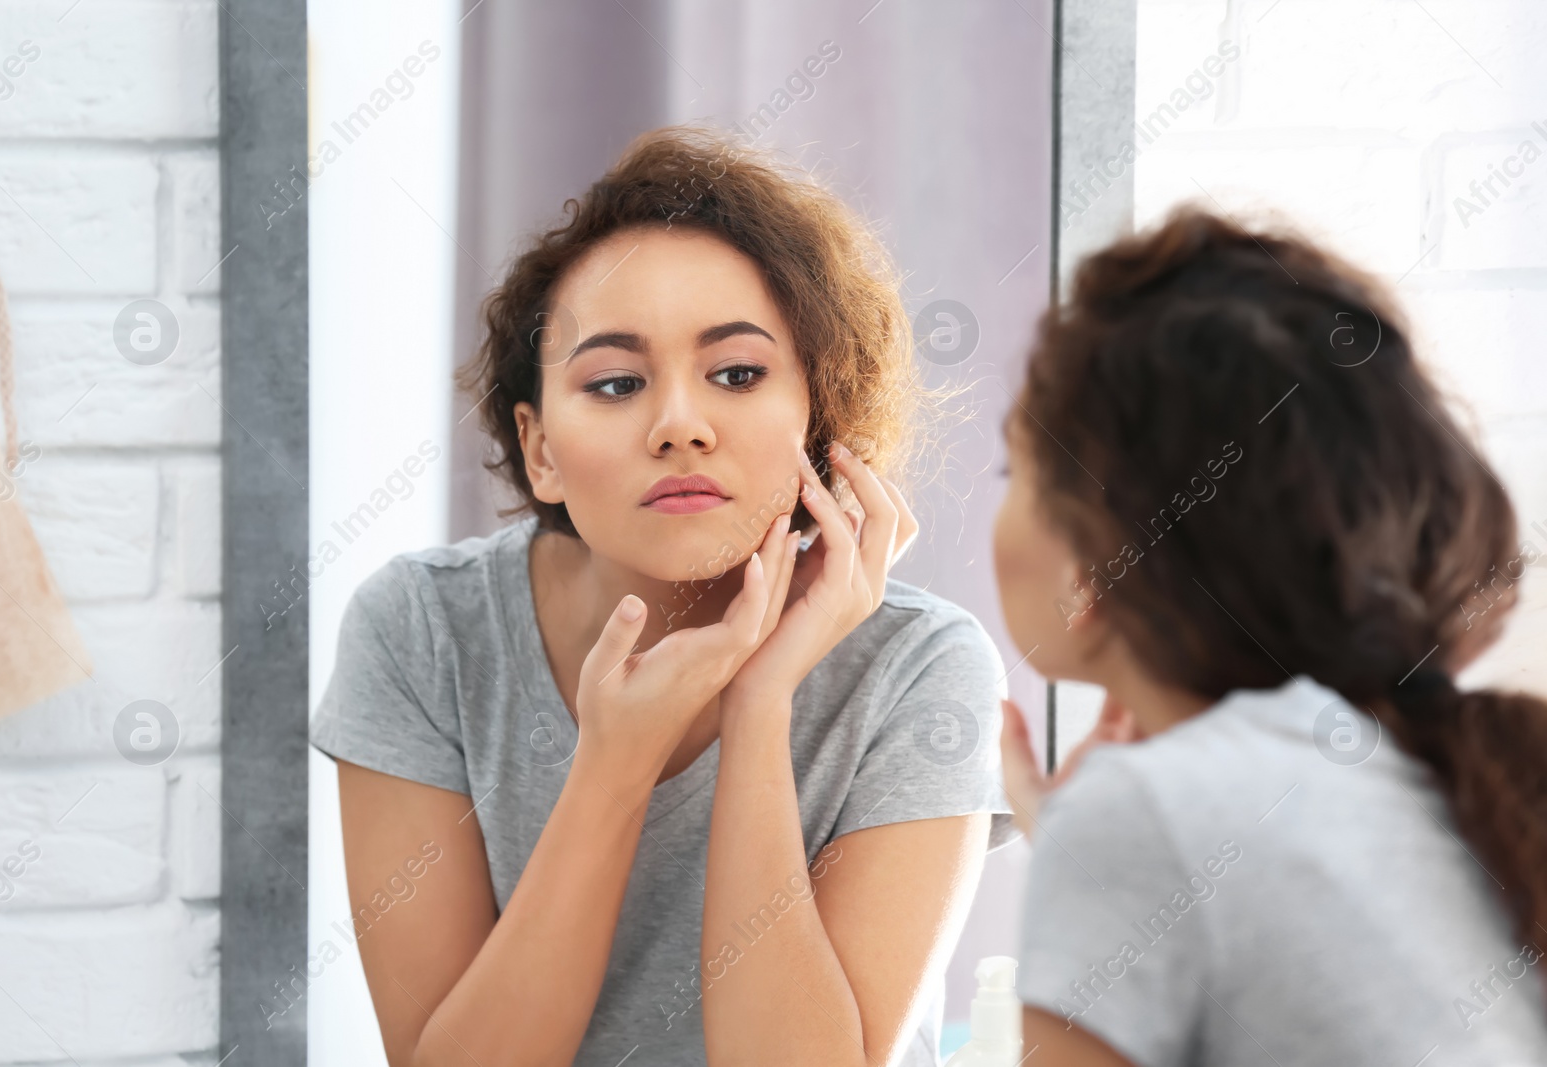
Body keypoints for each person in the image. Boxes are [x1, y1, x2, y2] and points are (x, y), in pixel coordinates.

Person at [309, 125, 1018, 1067]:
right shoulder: (420, 633)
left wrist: (759, 703)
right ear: (540, 449)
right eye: (614, 383)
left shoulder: (921, 669)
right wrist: (615, 760)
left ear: (822, 413)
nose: (680, 424)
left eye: (737, 373)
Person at [994, 205, 1547, 1066]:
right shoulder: (1436, 779)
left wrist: (1101, 847)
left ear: (1094, 559)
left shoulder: (1148, 813)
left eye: (1012, 470)